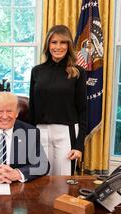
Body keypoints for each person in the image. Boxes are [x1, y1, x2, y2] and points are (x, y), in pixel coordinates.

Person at [28, 25, 88, 176]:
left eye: (63, 42)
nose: (58, 47)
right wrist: (29, 139)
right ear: (48, 45)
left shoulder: (78, 72)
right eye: (54, 42)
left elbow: (83, 110)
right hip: (40, 132)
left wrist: (79, 145)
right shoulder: (37, 71)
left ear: (69, 45)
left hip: (66, 132)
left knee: (63, 181)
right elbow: (32, 107)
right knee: (39, 178)